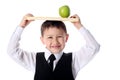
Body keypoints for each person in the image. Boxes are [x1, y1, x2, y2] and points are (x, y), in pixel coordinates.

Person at [7, 13, 100, 80]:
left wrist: (79, 26)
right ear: (42, 40)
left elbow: (94, 47)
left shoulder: (74, 60)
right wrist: (21, 26)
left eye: (59, 37)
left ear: (66, 38)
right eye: (50, 37)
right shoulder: (34, 59)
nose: (55, 41)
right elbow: (12, 51)